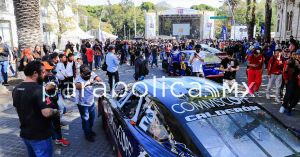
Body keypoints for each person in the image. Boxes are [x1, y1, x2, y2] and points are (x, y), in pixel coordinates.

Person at [12, 61, 59, 157]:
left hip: (26, 134)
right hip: (40, 135)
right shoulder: (39, 89)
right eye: (43, 72)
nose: (45, 73)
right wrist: (55, 111)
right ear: (35, 73)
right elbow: (46, 113)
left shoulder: (16, 89)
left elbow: (18, 110)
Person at [42, 61, 70, 146]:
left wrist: (49, 86)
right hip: (43, 107)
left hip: (53, 105)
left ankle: (59, 138)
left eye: (50, 70)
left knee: (56, 123)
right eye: (47, 70)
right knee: (46, 124)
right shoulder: (37, 81)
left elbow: (54, 84)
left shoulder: (51, 77)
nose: (50, 72)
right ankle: (51, 138)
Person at [75, 65, 102, 142]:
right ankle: (87, 134)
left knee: (92, 118)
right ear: (81, 73)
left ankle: (89, 130)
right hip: (82, 104)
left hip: (91, 101)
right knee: (85, 119)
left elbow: (97, 77)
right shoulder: (78, 78)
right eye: (86, 74)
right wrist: (88, 82)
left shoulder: (90, 73)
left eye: (89, 74)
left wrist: (98, 80)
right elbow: (78, 86)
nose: (88, 75)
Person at [279, 50, 300, 116]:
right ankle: (284, 106)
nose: (298, 56)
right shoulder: (291, 61)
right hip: (291, 80)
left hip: (298, 82)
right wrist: (285, 78)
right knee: (288, 94)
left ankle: (289, 107)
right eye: (297, 54)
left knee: (296, 96)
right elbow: (285, 70)